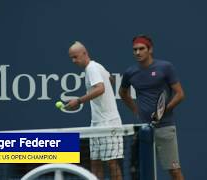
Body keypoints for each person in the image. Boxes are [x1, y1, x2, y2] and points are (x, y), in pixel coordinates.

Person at [119, 34, 185, 180]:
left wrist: (163, 111)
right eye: (135, 50)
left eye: (141, 49)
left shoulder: (165, 67)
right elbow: (123, 93)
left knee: (174, 170)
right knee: (142, 172)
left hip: (165, 128)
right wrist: (136, 110)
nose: (137, 52)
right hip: (144, 130)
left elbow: (180, 94)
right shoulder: (130, 72)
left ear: (150, 50)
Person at [67, 41, 123, 180]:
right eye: (71, 58)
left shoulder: (92, 68)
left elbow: (100, 88)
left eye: (75, 57)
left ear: (85, 54)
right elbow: (110, 80)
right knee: (95, 163)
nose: (73, 61)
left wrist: (79, 101)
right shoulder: (97, 67)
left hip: (108, 123)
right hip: (96, 124)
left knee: (111, 163)